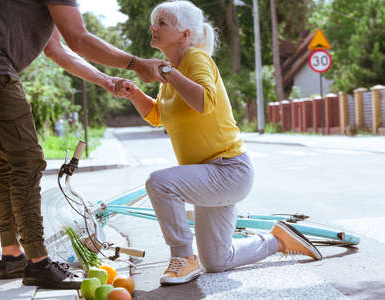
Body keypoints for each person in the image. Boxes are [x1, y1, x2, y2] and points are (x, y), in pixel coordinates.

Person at [0, 0, 166, 290]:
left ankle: (12, 255)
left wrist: (104, 80)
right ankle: (39, 263)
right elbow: (78, 39)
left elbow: (56, 49)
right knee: (27, 161)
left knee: (8, 160)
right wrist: (137, 64)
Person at [116, 0, 322, 286]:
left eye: (162, 23)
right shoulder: (171, 72)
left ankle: (183, 257)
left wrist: (166, 73)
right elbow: (158, 116)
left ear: (185, 35)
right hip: (206, 174)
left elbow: (203, 101)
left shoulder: (195, 60)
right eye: (155, 22)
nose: (153, 27)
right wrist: (135, 93)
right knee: (217, 260)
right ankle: (277, 239)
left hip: (228, 170)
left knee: (160, 183)